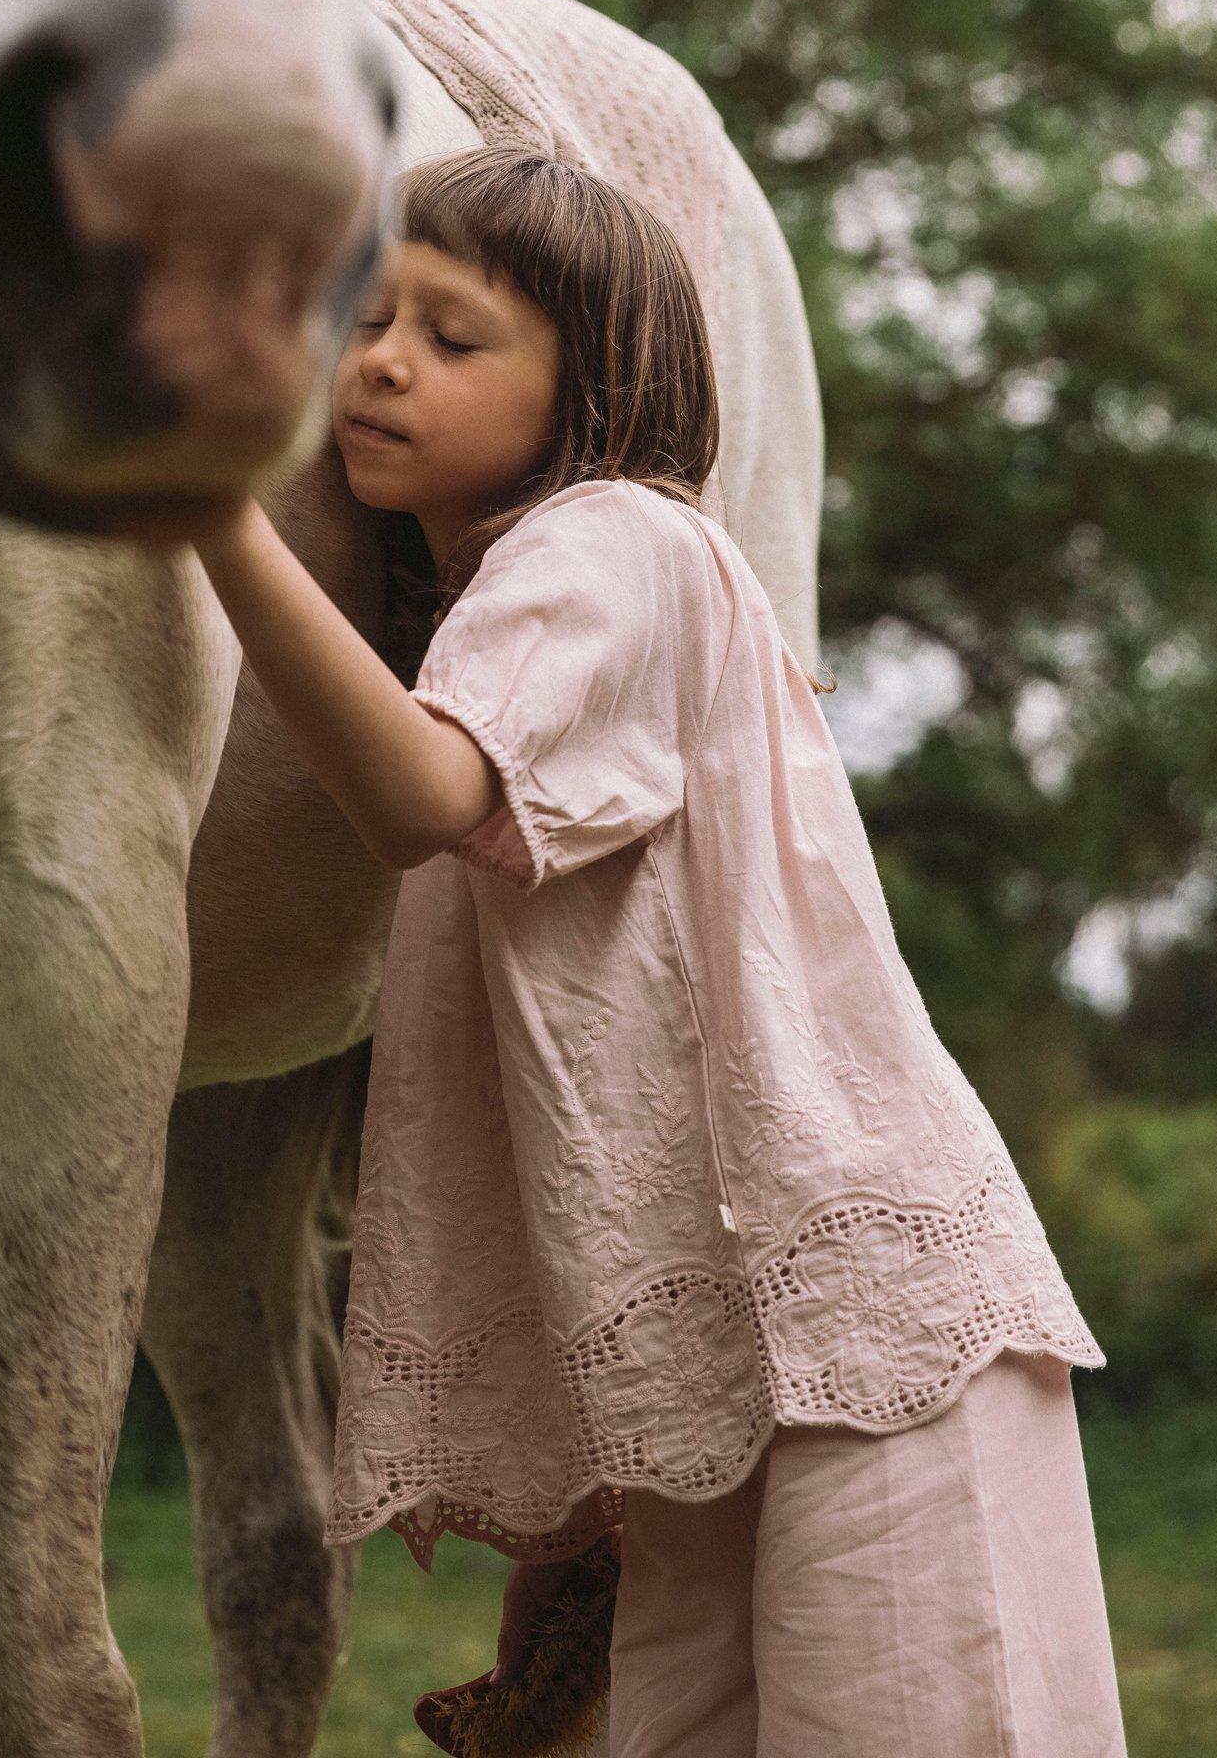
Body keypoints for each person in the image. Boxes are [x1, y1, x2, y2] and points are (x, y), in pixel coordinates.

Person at [176, 144, 1128, 1755]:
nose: (385, 361)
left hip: (852, 1340)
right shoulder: (539, 595)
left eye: (454, 336)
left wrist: (208, 514)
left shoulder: (609, 542)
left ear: (594, 386)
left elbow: (422, 798)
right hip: (756, 1361)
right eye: (366, 320)